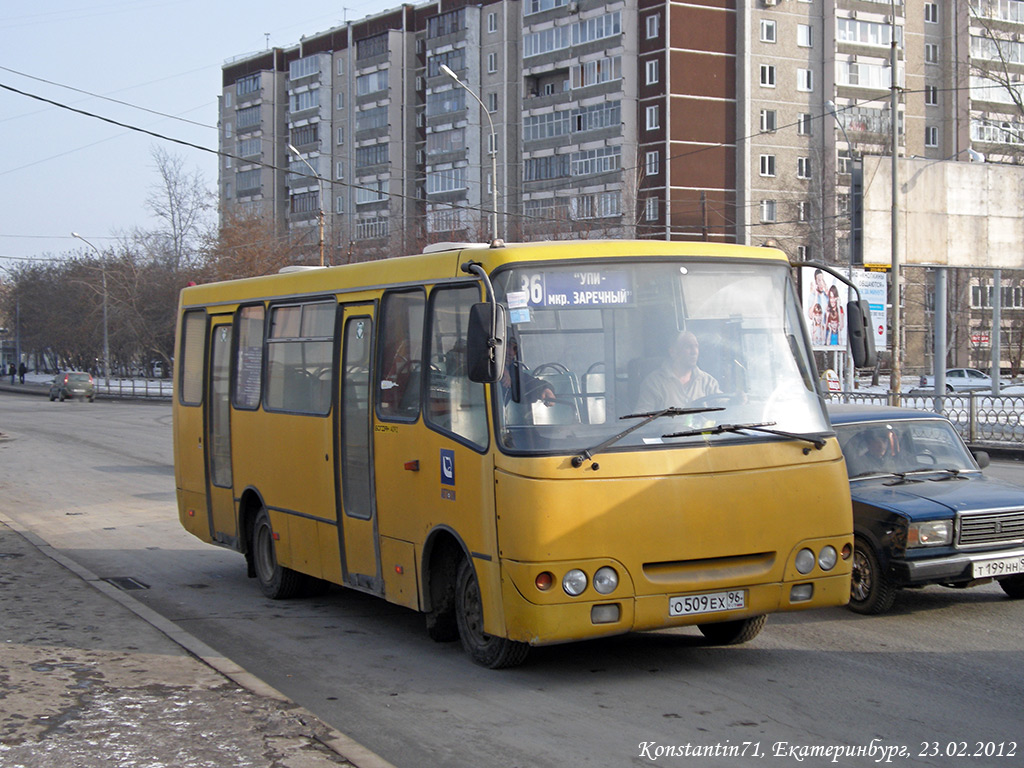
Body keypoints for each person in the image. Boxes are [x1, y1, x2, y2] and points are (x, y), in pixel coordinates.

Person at [635, 330, 720, 412]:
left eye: (696, 346)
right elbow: (641, 416)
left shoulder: (708, 382)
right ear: (673, 352)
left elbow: (725, 405)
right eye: (688, 347)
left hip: (705, 427)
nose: (694, 352)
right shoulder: (654, 383)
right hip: (667, 427)